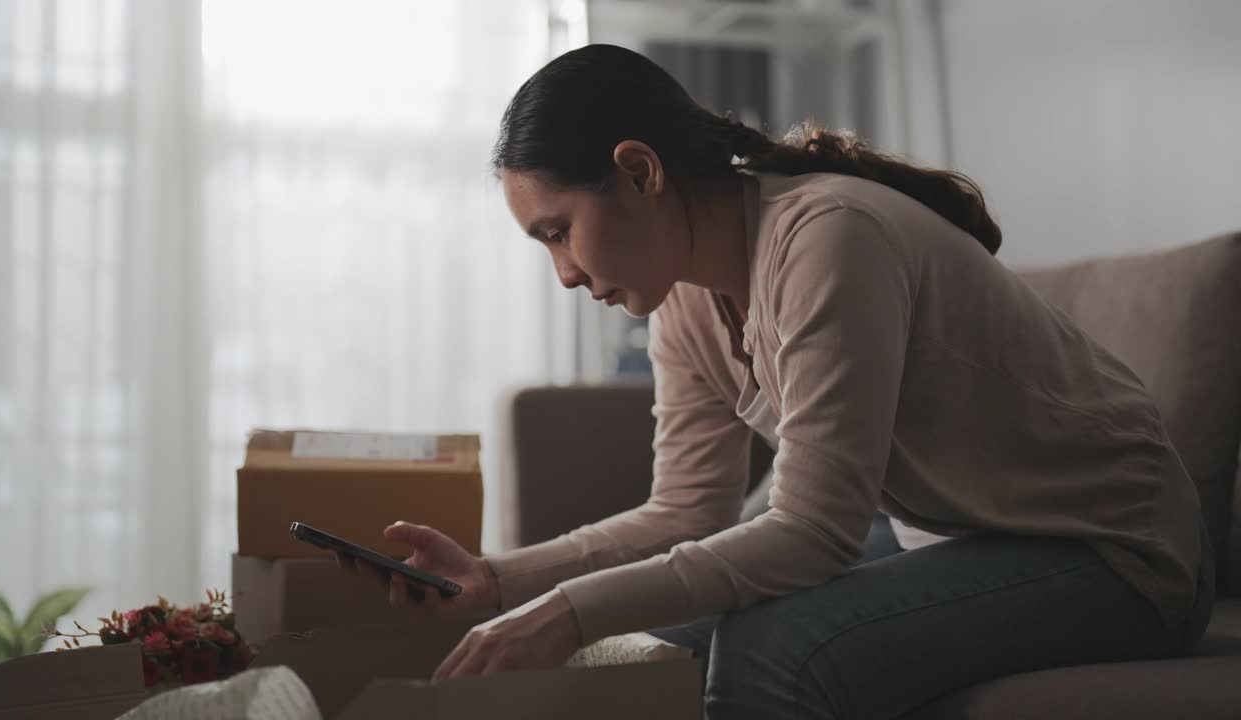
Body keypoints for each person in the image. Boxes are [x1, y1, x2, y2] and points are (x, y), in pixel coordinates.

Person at [340, 44, 1214, 719]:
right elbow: (684, 511)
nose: (564, 273)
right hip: (963, 534)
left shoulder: (829, 239)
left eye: (560, 232)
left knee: (772, 644)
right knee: (660, 634)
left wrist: (566, 609)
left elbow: (814, 535)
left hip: (1114, 551)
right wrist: (503, 581)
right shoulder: (682, 302)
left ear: (641, 172)